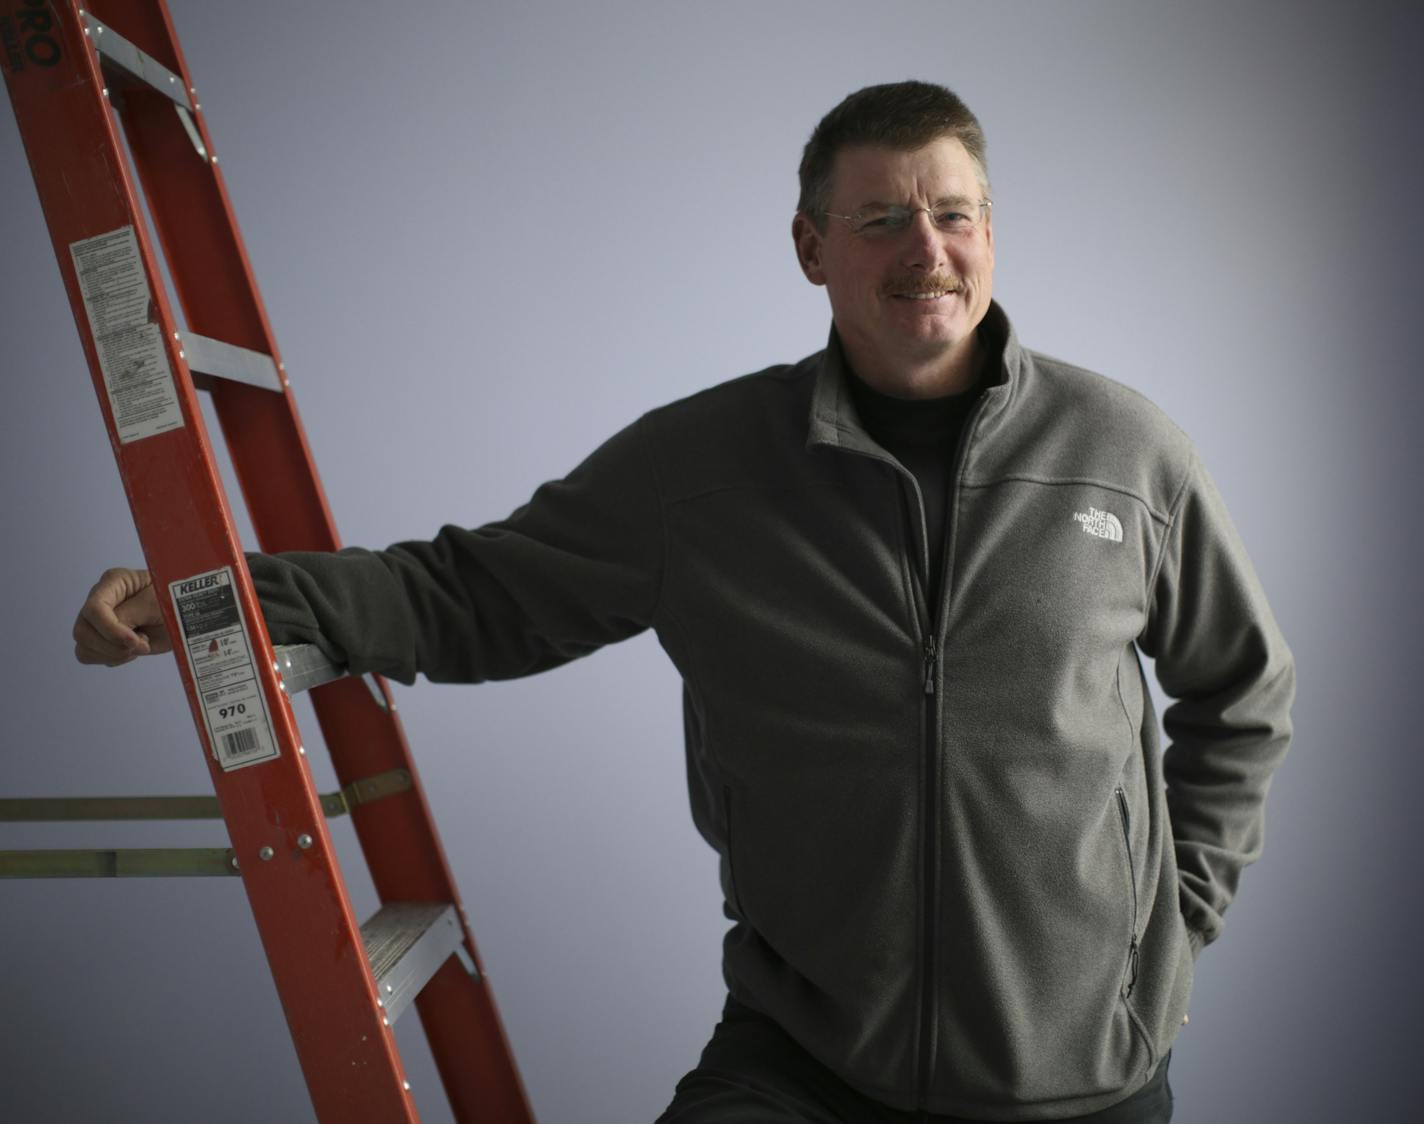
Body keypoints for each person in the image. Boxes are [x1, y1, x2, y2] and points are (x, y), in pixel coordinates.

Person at [72, 82, 1294, 1123]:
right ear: (811, 247)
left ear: (990, 233)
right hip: (806, 1062)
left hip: (1084, 1079)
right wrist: (207, 601)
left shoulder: (1122, 452)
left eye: (951, 213)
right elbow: (470, 592)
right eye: (879, 219)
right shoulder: (702, 470)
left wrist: (1168, 926)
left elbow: (1243, 688)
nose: (925, 249)